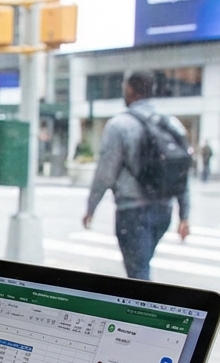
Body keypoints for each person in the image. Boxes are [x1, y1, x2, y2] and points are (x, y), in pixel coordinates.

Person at [82, 71, 191, 281]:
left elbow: (105, 173)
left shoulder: (119, 125)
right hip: (163, 210)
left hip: (132, 211)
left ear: (130, 90)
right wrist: (184, 214)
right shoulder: (171, 123)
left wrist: (90, 208)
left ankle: (145, 311)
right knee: (141, 268)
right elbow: (181, 171)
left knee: (138, 275)